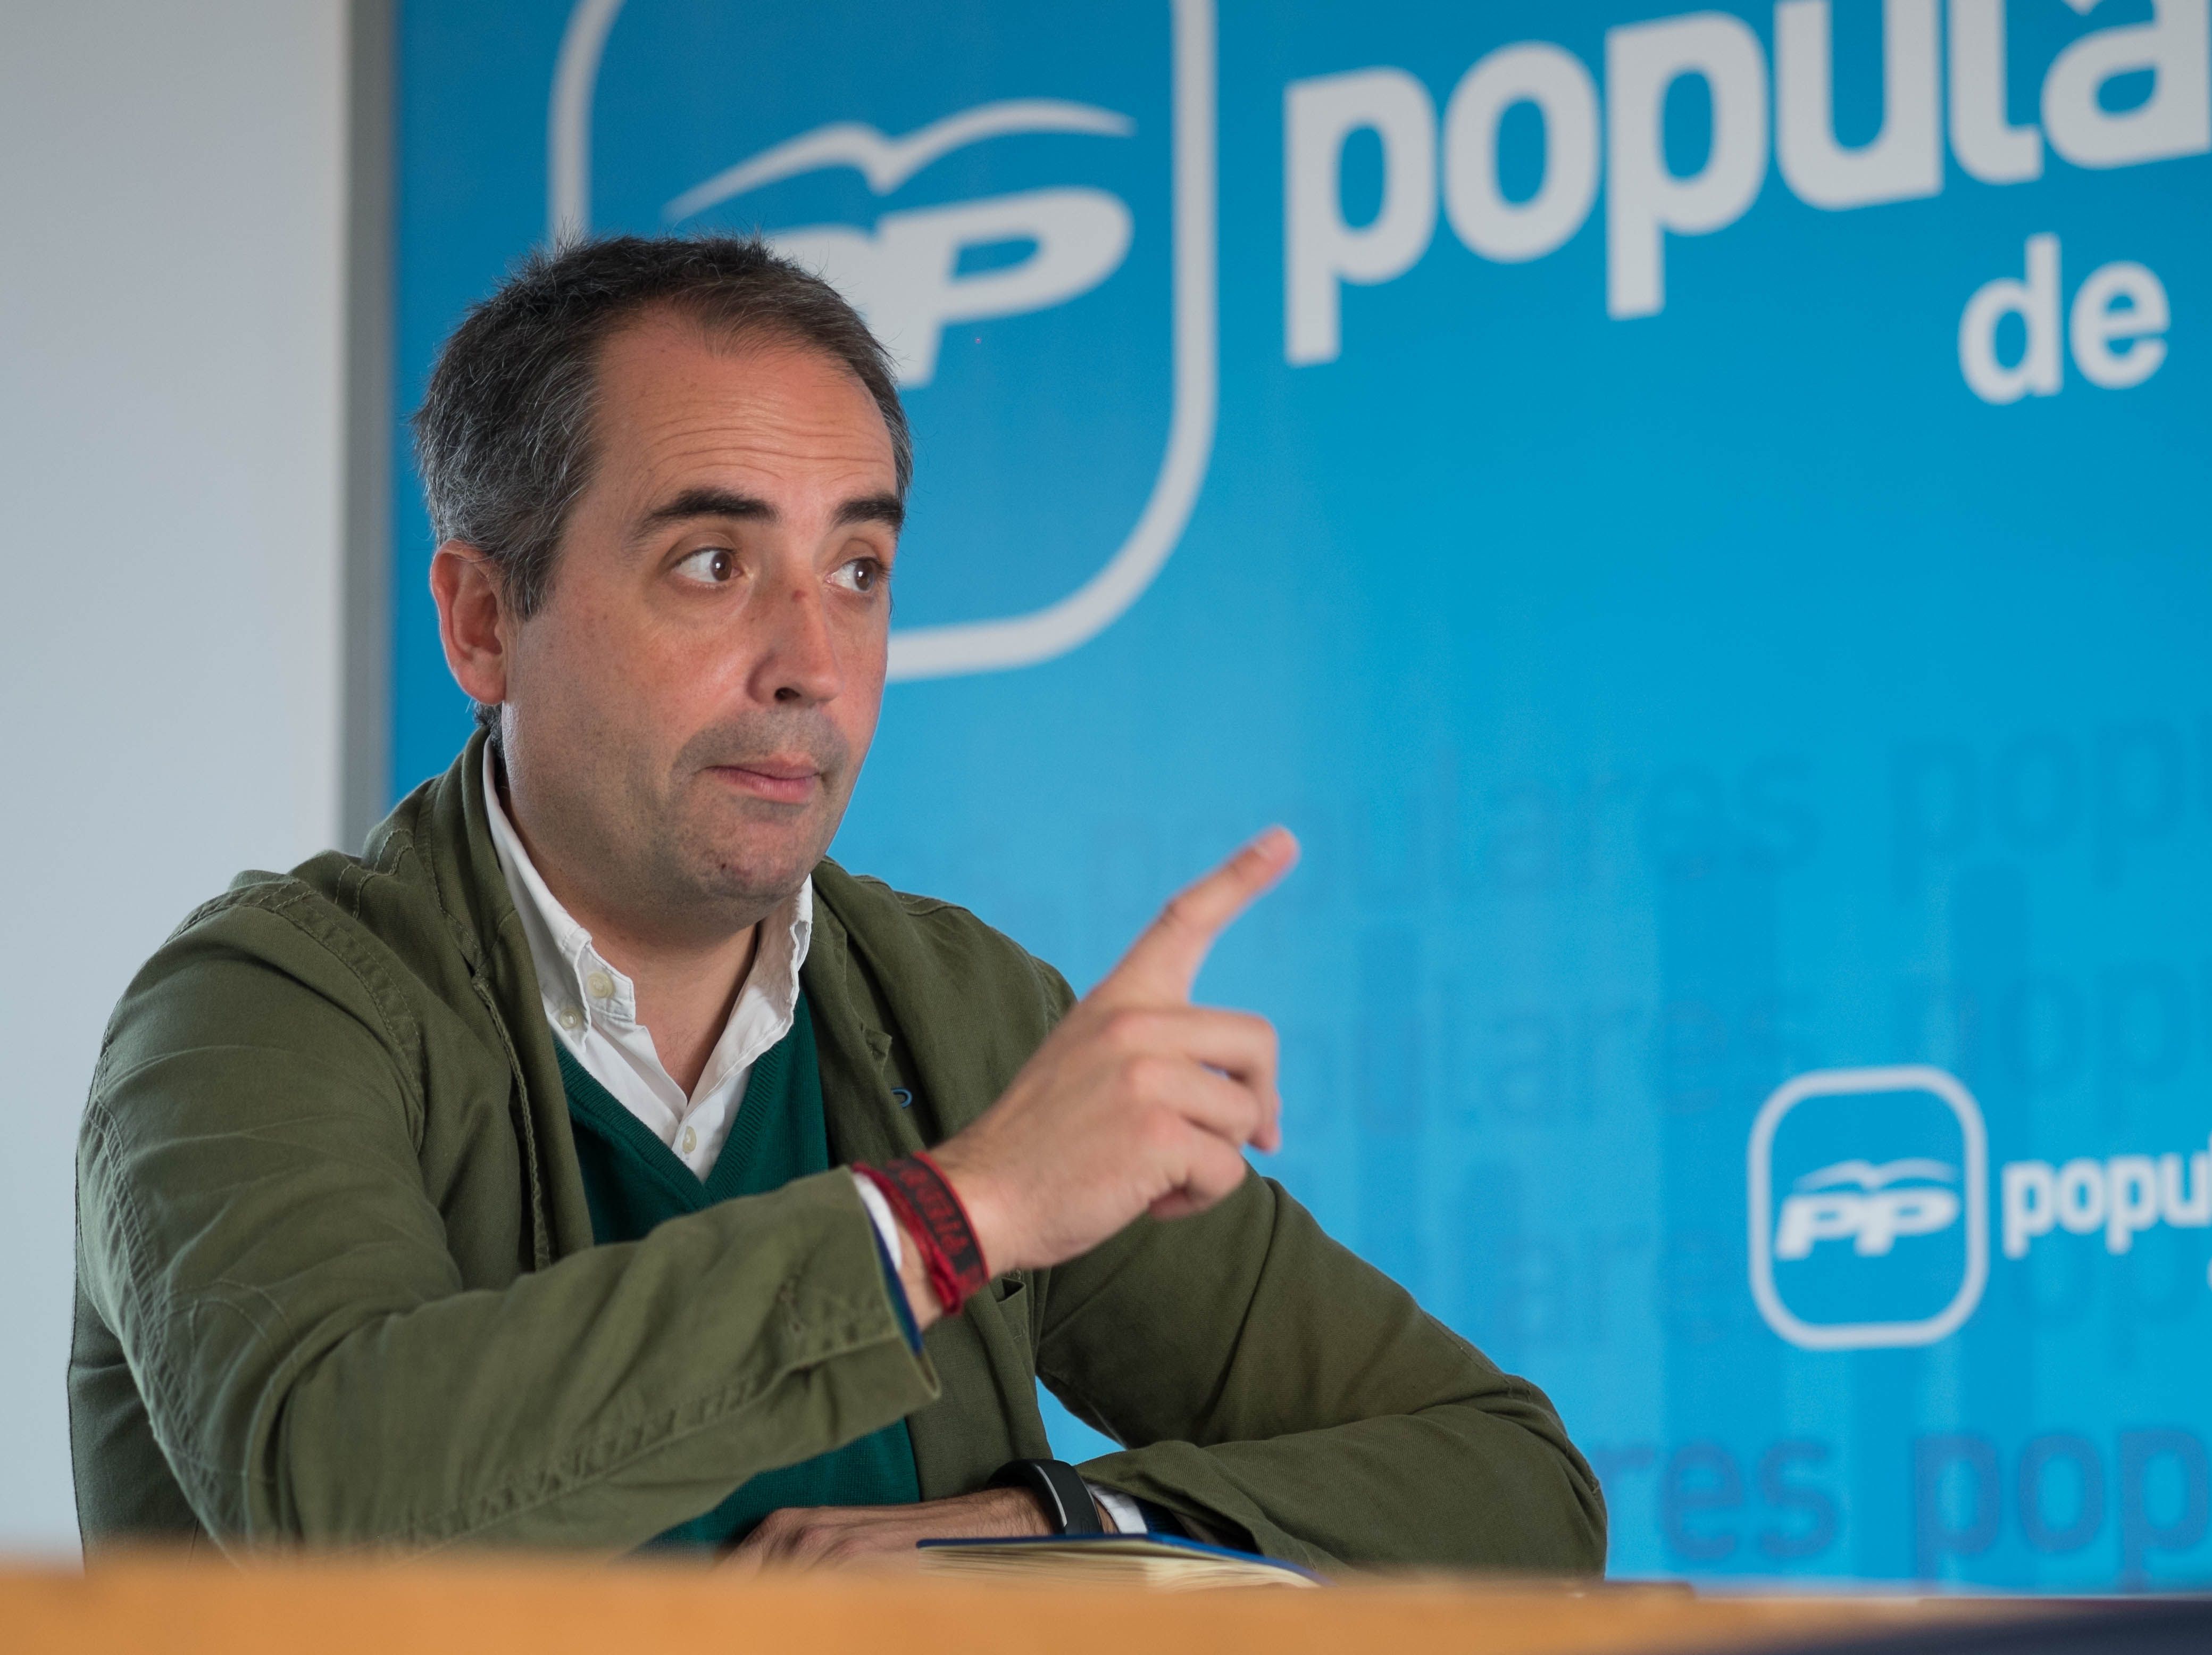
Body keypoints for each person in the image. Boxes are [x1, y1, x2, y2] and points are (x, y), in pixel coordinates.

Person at [69, 235, 1605, 1571]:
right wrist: (954, 1216)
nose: (812, 661)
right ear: (483, 622)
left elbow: (1510, 1490)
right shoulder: (252, 1015)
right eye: (712, 562)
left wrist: (1051, 1532)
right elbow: (337, 1503)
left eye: (858, 568)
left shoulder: (964, 1015)